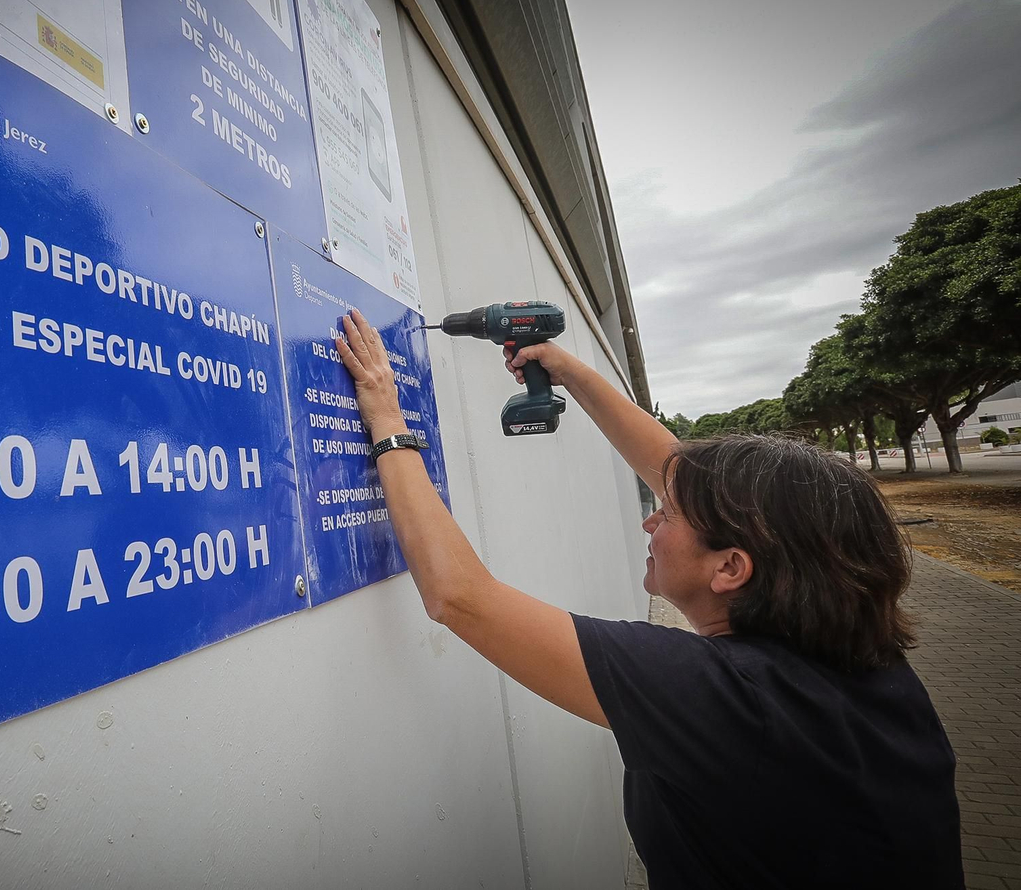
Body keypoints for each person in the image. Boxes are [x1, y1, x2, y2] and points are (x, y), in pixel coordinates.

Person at [333, 308, 962, 889]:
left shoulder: (721, 697)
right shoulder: (866, 667)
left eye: (668, 512)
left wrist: (386, 419)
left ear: (731, 568)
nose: (649, 521)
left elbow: (460, 597)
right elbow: (679, 468)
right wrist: (569, 371)